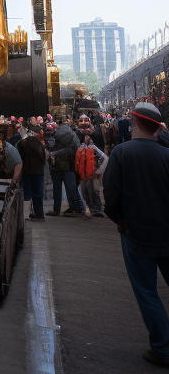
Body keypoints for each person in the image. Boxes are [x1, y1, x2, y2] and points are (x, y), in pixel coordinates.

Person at [105, 102, 169, 367]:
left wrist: (121, 220)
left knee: (147, 291)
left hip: (136, 234)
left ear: (134, 121)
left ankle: (163, 349)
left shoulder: (121, 153)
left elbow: (111, 196)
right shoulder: (167, 155)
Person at [48, 118, 85, 216]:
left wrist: (54, 154)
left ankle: (59, 209)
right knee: (71, 187)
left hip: (60, 167)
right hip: (69, 166)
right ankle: (75, 208)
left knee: (59, 188)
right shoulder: (70, 136)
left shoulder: (57, 138)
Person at [19, 125, 48, 220]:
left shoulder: (23, 143)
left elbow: (20, 157)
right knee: (38, 193)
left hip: (27, 171)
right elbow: (43, 158)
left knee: (27, 193)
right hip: (38, 171)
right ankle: (39, 213)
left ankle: (26, 214)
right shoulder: (39, 145)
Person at [75, 131, 106, 219]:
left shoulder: (92, 149)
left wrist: (98, 172)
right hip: (85, 176)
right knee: (86, 194)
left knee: (94, 193)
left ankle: (97, 210)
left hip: (91, 176)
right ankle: (93, 210)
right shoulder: (82, 149)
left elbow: (104, 159)